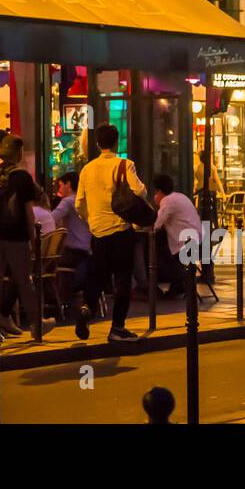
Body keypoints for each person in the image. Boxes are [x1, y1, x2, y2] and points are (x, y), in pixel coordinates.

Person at [74, 123, 144, 343]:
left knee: (97, 276)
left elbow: (79, 204)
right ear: (117, 142)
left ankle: (87, 308)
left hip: (99, 232)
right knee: (123, 280)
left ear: (97, 144)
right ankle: (117, 328)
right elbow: (140, 190)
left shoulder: (87, 169)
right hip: (121, 229)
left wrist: (91, 220)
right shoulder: (125, 164)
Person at [0, 133, 44, 338]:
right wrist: (33, 240)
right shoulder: (22, 177)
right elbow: (27, 211)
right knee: (24, 281)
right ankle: (36, 325)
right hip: (16, 237)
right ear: (18, 153)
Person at [150, 174, 203, 299]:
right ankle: (178, 284)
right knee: (164, 248)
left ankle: (178, 282)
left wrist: (158, 204)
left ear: (159, 191)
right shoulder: (180, 197)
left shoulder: (167, 201)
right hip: (198, 241)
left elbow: (156, 225)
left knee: (158, 252)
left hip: (187, 245)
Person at [50, 171, 90, 321]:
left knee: (47, 265)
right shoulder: (84, 200)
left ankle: (58, 305)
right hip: (87, 249)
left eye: (60, 185)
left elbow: (51, 219)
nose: (59, 189)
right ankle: (63, 303)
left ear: (68, 184)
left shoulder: (67, 202)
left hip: (73, 252)